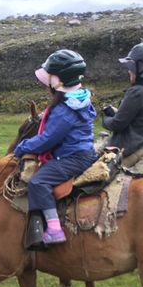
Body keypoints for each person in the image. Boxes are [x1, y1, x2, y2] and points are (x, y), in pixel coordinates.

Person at [13, 49, 97, 247]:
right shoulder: (78, 99)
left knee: (38, 182)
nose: (46, 83)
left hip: (72, 157)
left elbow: (47, 140)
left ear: (58, 80)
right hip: (80, 152)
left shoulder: (64, 110)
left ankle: (54, 230)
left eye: (49, 78)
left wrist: (22, 147)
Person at [101, 42, 143, 172]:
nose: (129, 71)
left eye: (131, 66)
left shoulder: (136, 92)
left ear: (141, 67)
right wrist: (117, 112)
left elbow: (116, 125)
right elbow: (141, 118)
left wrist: (105, 119)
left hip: (135, 150)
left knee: (94, 173)